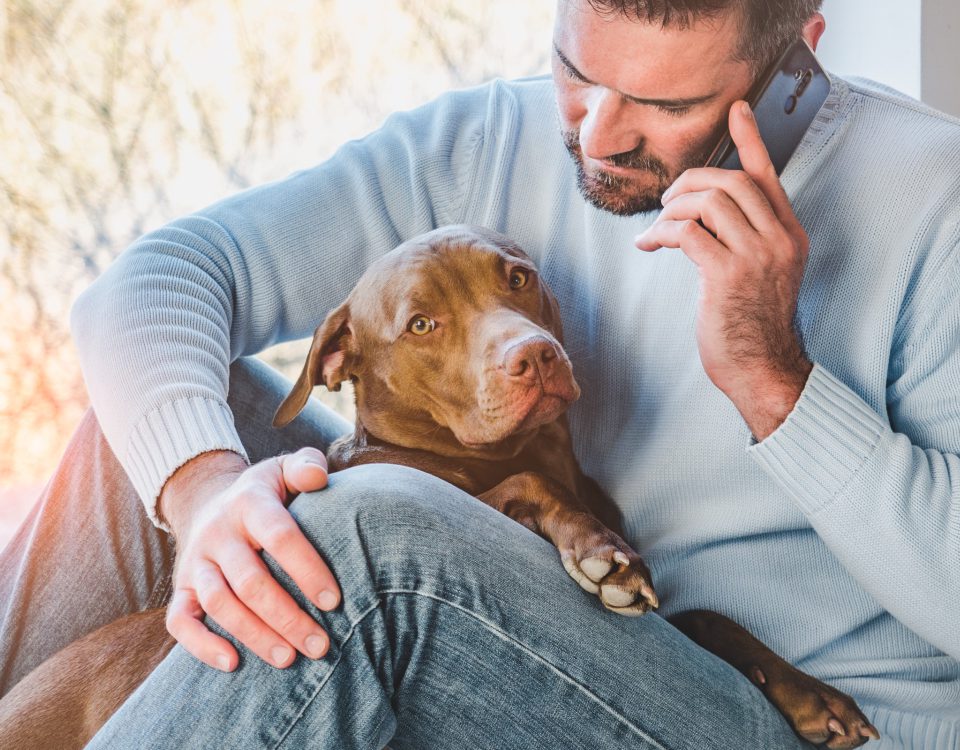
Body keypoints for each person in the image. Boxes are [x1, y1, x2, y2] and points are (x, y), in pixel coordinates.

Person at [2, 0, 959, 746]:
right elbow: (154, 285)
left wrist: (775, 381)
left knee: (366, 534)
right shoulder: (494, 141)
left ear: (799, 54)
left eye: (667, 105)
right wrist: (206, 494)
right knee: (151, 442)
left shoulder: (931, 203)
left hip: (766, 716)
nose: (595, 136)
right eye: (577, 71)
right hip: (538, 596)